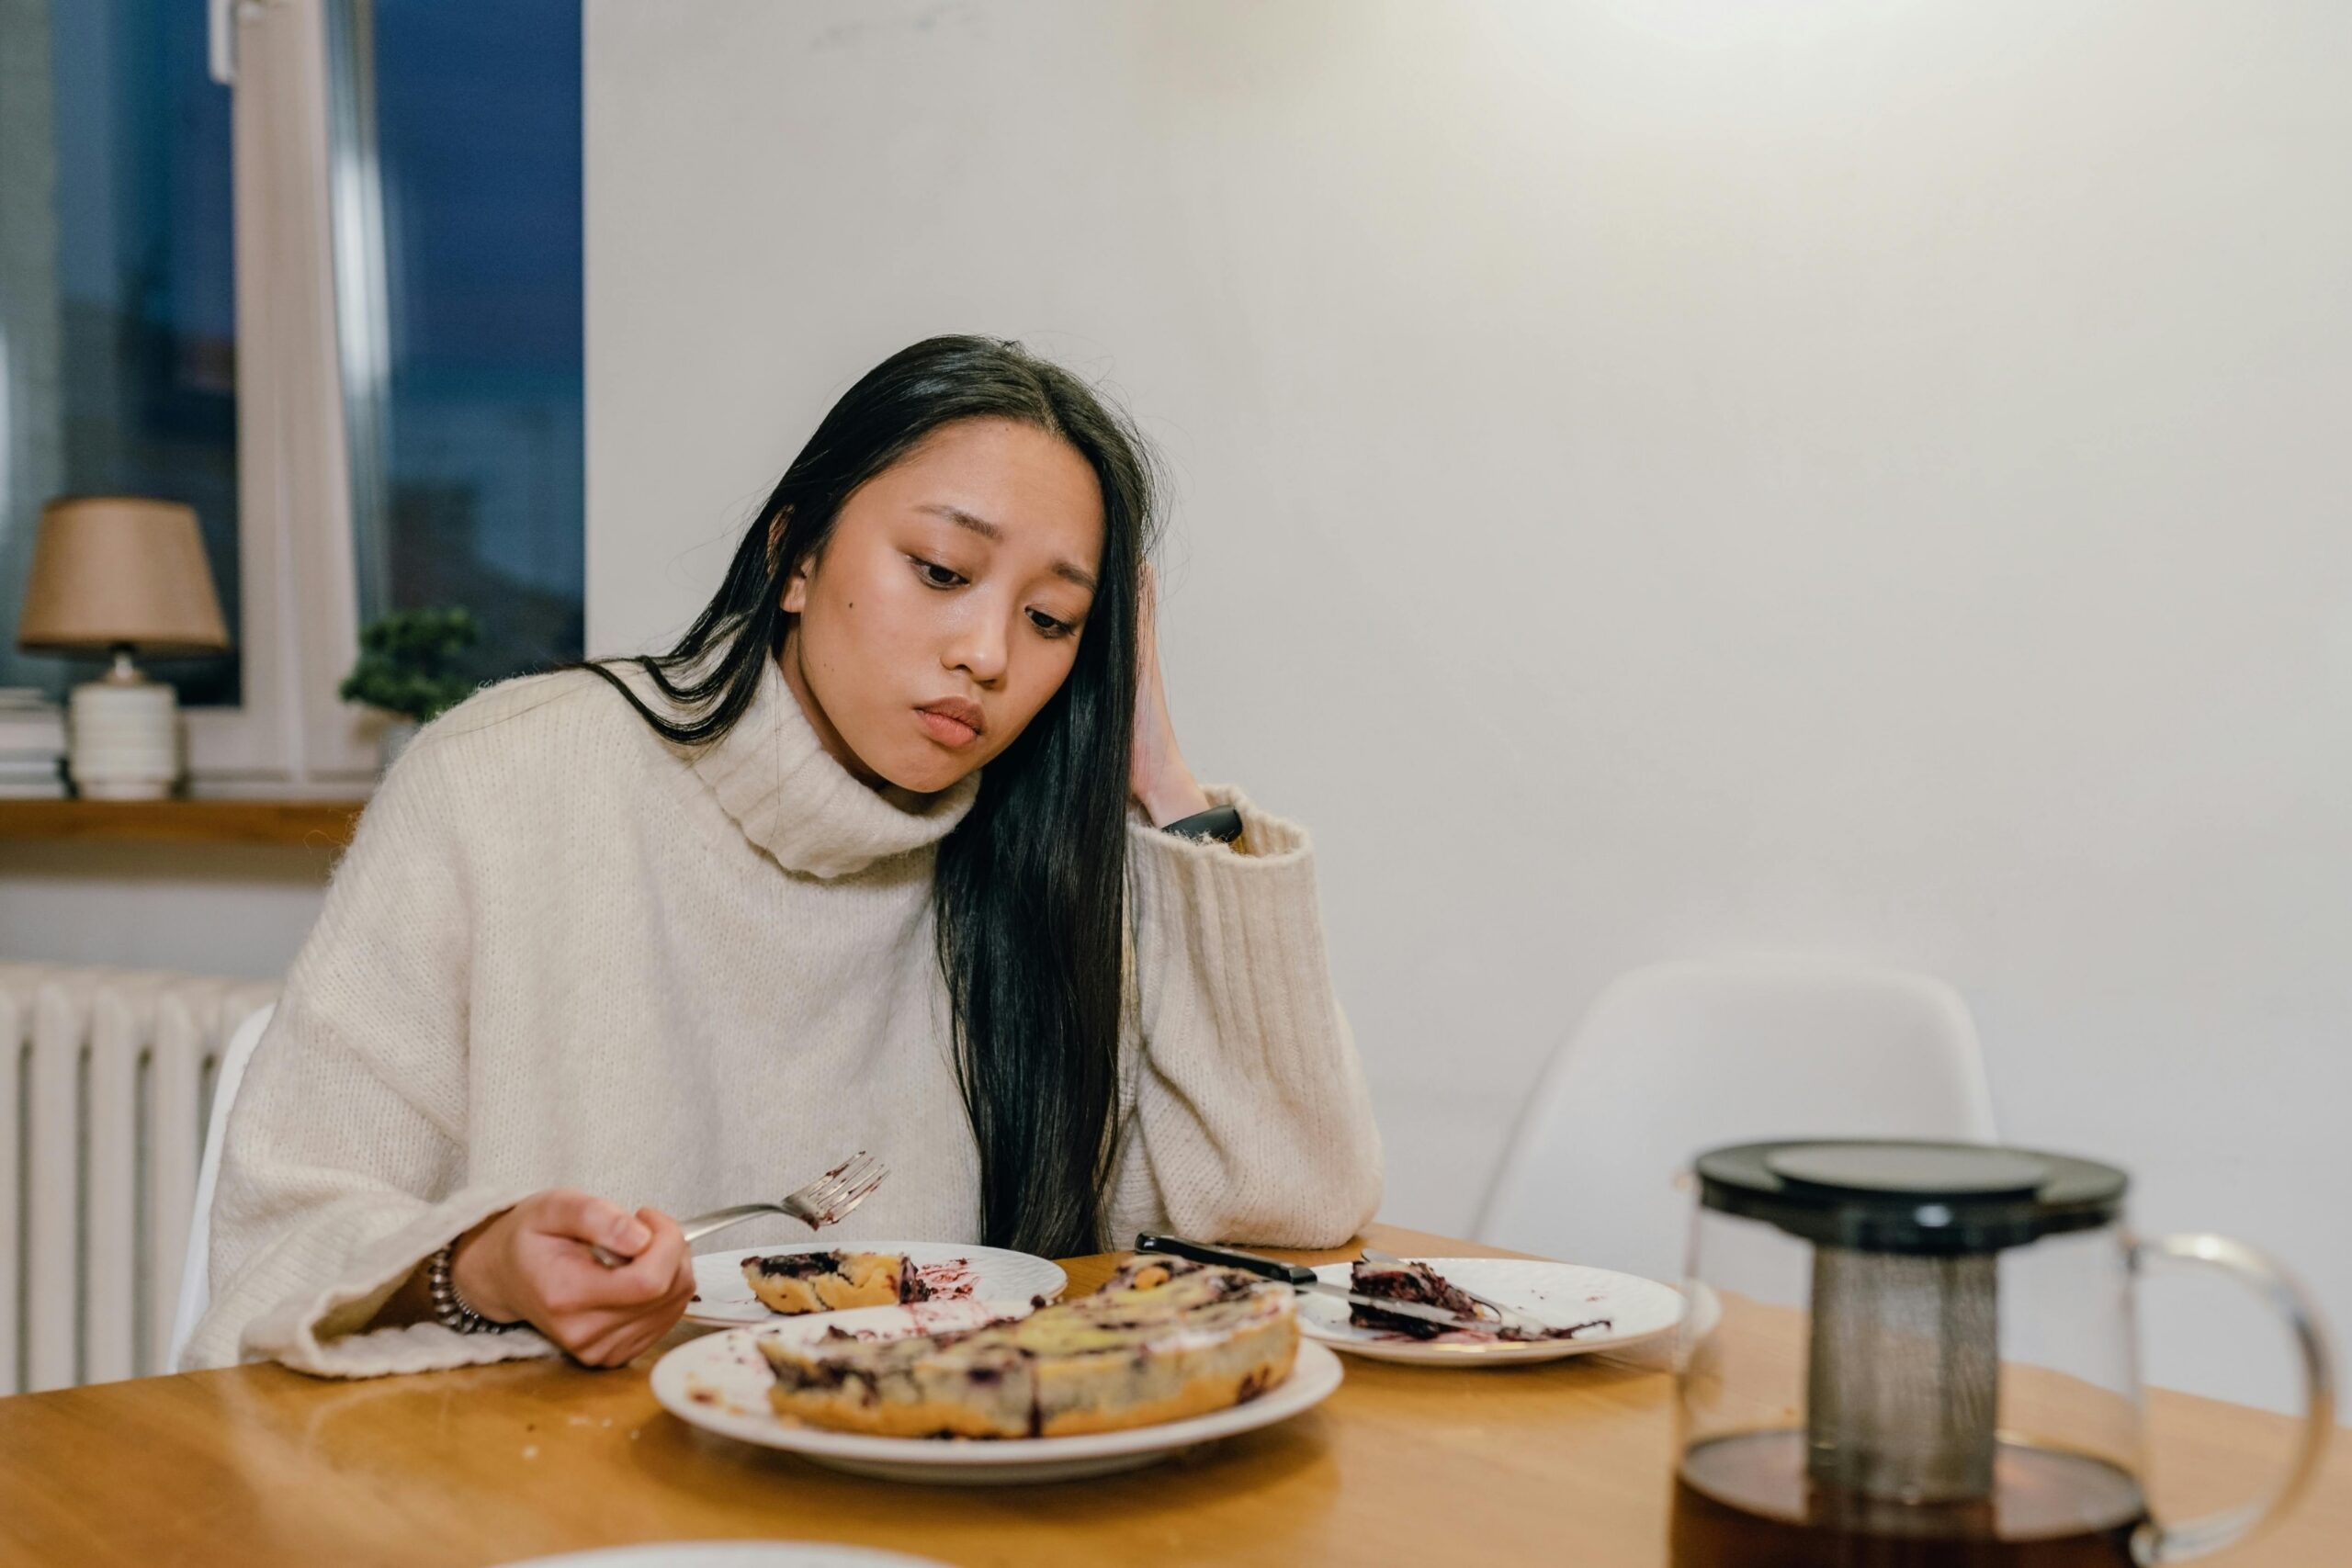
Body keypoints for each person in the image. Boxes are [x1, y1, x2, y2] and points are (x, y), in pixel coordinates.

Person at [186, 336, 1382, 1377]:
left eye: (1052, 619)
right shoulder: (506, 784)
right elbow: (277, 1251)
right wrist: (477, 1266)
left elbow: (1291, 1213)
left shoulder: (1033, 868)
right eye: (943, 572)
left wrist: (1168, 787)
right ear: (794, 556)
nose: (985, 652)